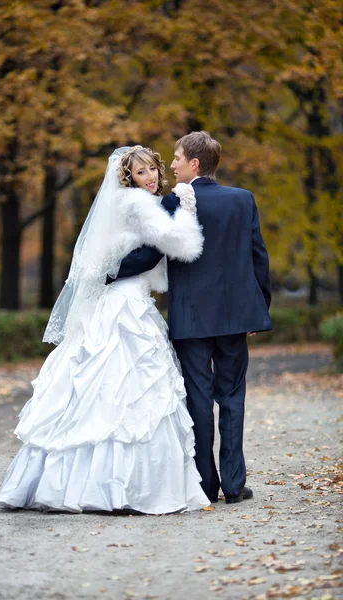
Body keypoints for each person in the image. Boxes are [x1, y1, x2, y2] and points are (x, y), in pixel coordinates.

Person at [0, 145, 211, 514]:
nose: (152, 177)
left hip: (123, 296)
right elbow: (175, 247)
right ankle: (119, 489)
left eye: (153, 170)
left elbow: (129, 259)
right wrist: (181, 206)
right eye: (141, 172)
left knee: (113, 387)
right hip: (124, 305)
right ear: (128, 177)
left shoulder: (130, 204)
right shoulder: (139, 204)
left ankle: (93, 485)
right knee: (121, 385)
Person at [110, 132, 272, 504]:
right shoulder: (243, 200)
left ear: (195, 163)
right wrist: (257, 309)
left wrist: (105, 272)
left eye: (178, 158)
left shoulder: (171, 202)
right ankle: (234, 485)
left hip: (191, 320)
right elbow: (257, 257)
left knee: (198, 400)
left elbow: (149, 256)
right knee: (232, 398)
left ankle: (204, 484)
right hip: (235, 317)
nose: (171, 164)